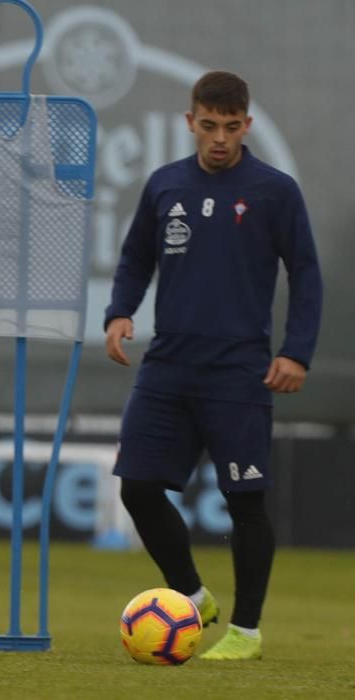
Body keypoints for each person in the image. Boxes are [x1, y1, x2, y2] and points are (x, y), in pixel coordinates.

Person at [104, 71, 321, 661]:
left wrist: (296, 350)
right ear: (190, 122)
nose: (219, 138)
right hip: (168, 365)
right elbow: (133, 259)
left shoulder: (275, 192)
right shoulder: (164, 185)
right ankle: (192, 597)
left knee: (245, 502)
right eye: (208, 126)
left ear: (246, 125)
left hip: (238, 372)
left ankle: (246, 632)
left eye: (230, 127)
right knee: (139, 487)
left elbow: (305, 274)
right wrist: (120, 312)